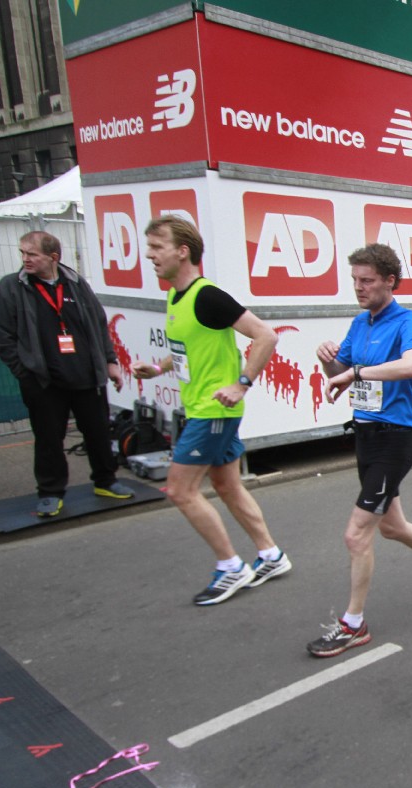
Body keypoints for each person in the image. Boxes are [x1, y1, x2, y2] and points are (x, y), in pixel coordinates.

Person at [307, 244, 412, 658]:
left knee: (356, 534)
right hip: (365, 437)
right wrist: (327, 360)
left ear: (389, 281)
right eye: (355, 280)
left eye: (366, 280)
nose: (358, 288)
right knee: (392, 527)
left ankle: (354, 625)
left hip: (394, 440)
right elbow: (341, 373)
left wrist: (355, 371)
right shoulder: (360, 323)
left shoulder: (407, 322)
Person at [131, 216, 289, 606]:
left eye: (157, 247)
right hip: (204, 408)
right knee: (226, 485)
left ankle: (231, 566)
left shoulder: (207, 296)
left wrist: (241, 384)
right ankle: (271, 555)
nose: (150, 255)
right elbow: (186, 348)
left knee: (180, 490)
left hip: (213, 411)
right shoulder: (176, 296)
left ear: (182, 251)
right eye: (149, 247)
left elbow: (266, 335)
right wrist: (158, 369)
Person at [0, 231, 135, 518]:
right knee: (48, 439)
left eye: (32, 254)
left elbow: (99, 324)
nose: (25, 259)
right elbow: (3, 334)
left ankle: (106, 481)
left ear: (53, 257)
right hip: (43, 380)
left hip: (86, 376)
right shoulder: (12, 287)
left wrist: (110, 362)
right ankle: (50, 493)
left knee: (98, 432)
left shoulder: (75, 283)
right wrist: (23, 371)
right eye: (23, 253)